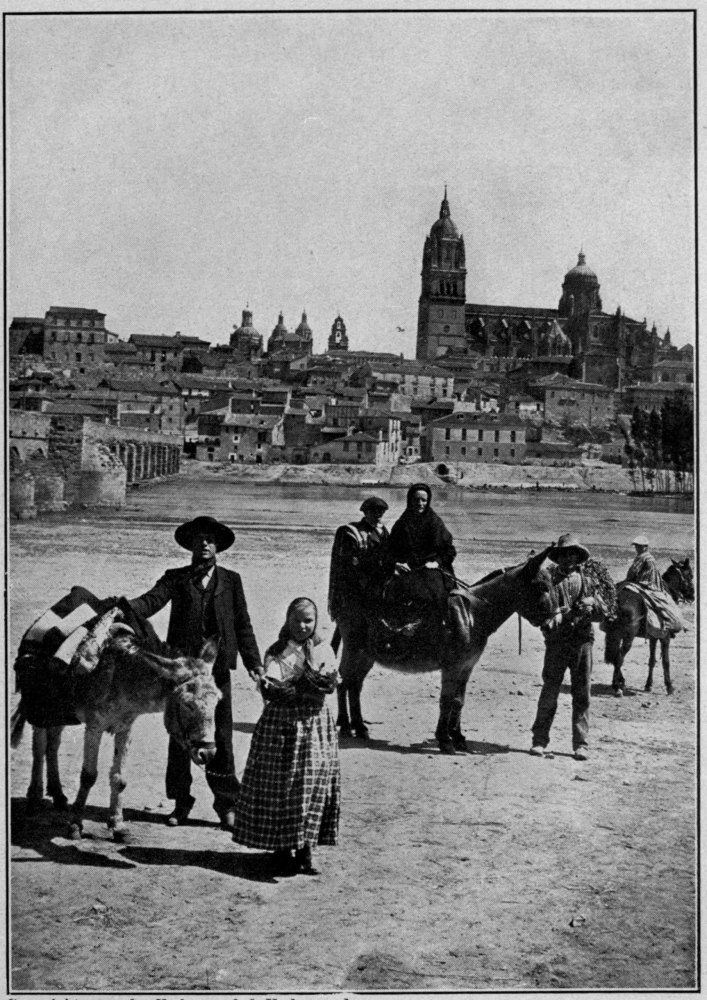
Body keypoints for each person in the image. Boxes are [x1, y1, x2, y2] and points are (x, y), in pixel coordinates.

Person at [129, 515, 263, 830]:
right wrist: (122, 607)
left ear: (218, 547)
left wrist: (254, 663)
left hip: (217, 674)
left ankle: (227, 805)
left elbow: (242, 625)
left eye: (210, 539)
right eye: (199, 539)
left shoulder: (231, 580)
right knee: (180, 736)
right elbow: (150, 601)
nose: (204, 544)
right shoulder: (176, 578)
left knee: (222, 737)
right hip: (183, 674)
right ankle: (181, 801)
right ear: (190, 545)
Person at [231, 597, 341, 875]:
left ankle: (306, 850)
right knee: (281, 785)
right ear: (287, 621)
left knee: (311, 784)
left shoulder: (324, 649)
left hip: (314, 725)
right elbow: (270, 687)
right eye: (297, 620)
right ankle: (281, 849)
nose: (302, 626)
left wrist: (316, 685)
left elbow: (329, 683)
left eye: (308, 620)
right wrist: (294, 689)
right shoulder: (277, 652)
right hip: (281, 725)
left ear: (316, 623)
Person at [529, 533, 605, 762]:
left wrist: (592, 605)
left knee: (582, 693)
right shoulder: (548, 580)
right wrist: (556, 616)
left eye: (573, 554)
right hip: (556, 643)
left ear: (578, 557)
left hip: (582, 642)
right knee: (550, 690)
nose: (568, 558)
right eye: (564, 554)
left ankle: (580, 744)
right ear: (558, 556)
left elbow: (603, 612)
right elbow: (539, 611)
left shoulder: (589, 580)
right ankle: (539, 741)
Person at [328, 495, 391, 662]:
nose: (378, 514)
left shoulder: (383, 530)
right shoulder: (353, 532)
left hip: (377, 579)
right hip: (358, 584)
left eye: (381, 511)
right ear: (366, 512)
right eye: (374, 511)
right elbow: (352, 563)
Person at [388, 483, 457, 623]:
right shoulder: (402, 523)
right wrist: (396, 564)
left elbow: (449, 550)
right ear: (410, 500)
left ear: (428, 501)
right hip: (407, 568)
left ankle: (439, 629)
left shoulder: (435, 522)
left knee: (436, 593)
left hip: (431, 568)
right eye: (416, 500)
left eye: (423, 500)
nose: (420, 503)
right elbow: (390, 549)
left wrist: (436, 562)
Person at [622, 534, 685, 636]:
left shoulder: (643, 557)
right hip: (651, 584)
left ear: (645, 547)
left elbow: (633, 572)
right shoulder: (649, 558)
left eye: (639, 546)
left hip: (643, 583)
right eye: (636, 546)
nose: (637, 548)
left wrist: (627, 579)